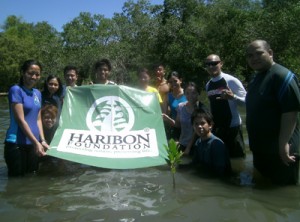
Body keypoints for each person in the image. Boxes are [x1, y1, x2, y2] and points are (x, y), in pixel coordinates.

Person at [246, 40, 300, 185]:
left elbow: (291, 112)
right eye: (250, 55)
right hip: (261, 148)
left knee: (283, 192)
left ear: (270, 53)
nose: (254, 58)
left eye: (259, 53)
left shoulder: (282, 76)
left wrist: (283, 144)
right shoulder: (256, 77)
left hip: (280, 151)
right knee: (263, 188)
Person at [4, 59, 48, 176]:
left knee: (32, 178)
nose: (34, 76)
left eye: (37, 74)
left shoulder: (37, 93)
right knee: (16, 183)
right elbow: (20, 120)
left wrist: (42, 140)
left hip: (34, 144)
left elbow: (38, 119)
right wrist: (36, 142)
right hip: (16, 144)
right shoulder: (16, 90)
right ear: (23, 72)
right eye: (30, 73)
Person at [205, 54, 246, 158]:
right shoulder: (208, 85)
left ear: (221, 64)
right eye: (208, 64)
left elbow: (247, 103)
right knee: (222, 158)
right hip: (218, 128)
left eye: (214, 63)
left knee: (238, 159)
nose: (211, 67)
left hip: (233, 127)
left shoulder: (231, 81)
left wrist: (233, 97)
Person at [191, 109, 232, 177]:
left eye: (202, 123)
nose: (199, 126)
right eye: (196, 124)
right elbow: (194, 164)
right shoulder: (198, 142)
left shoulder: (217, 145)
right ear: (193, 126)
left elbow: (220, 172)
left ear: (210, 125)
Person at [171, 82, 208, 154]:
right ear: (184, 94)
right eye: (187, 93)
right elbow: (178, 125)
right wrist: (168, 120)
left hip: (198, 145)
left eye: (193, 93)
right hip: (182, 143)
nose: (190, 95)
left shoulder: (201, 109)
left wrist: (188, 147)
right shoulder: (180, 107)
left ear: (198, 94)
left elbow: (197, 131)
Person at [162, 71, 187, 140]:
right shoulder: (168, 96)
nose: (173, 84)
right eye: (170, 82)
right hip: (175, 128)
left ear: (180, 80)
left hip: (189, 127)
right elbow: (164, 114)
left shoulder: (187, 93)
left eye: (175, 81)